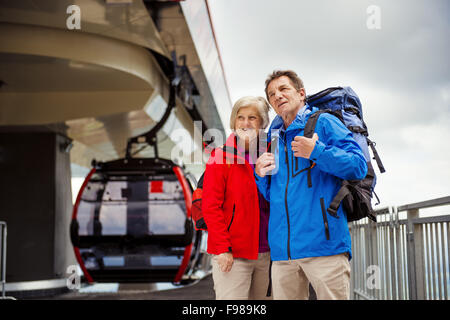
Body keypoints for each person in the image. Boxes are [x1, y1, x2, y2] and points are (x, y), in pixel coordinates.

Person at [255, 70, 368, 300]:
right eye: (272, 94)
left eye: (284, 89)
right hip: (283, 253)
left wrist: (317, 152)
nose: (277, 96)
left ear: (301, 93)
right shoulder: (274, 137)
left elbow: (358, 165)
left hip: (324, 247)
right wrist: (260, 175)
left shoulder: (324, 122)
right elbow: (273, 195)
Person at [202, 96, 271, 300]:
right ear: (233, 122)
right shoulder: (220, 157)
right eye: (240, 118)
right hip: (233, 253)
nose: (246, 123)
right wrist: (223, 249)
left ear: (262, 123)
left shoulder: (272, 154)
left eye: (252, 118)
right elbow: (211, 206)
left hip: (267, 252)